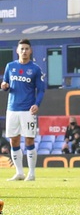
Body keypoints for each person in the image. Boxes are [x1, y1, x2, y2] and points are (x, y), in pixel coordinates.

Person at [2, 39, 45, 181]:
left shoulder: (35, 69)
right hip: (12, 109)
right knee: (14, 140)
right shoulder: (10, 66)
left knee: (29, 140)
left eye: (27, 48)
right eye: (22, 49)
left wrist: (37, 104)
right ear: (17, 51)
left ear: (30, 50)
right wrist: (4, 86)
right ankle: (19, 172)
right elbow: (6, 84)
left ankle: (31, 173)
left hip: (28, 110)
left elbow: (41, 90)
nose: (24, 51)